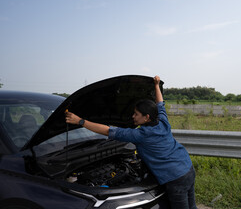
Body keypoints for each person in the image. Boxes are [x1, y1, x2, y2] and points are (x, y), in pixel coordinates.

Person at [65, 76, 197, 209]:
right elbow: (160, 103)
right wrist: (156, 85)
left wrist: (80, 121)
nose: (133, 116)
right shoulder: (163, 121)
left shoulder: (140, 134)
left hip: (176, 178)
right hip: (187, 167)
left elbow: (107, 131)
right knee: (192, 206)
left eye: (136, 114)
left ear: (146, 117)